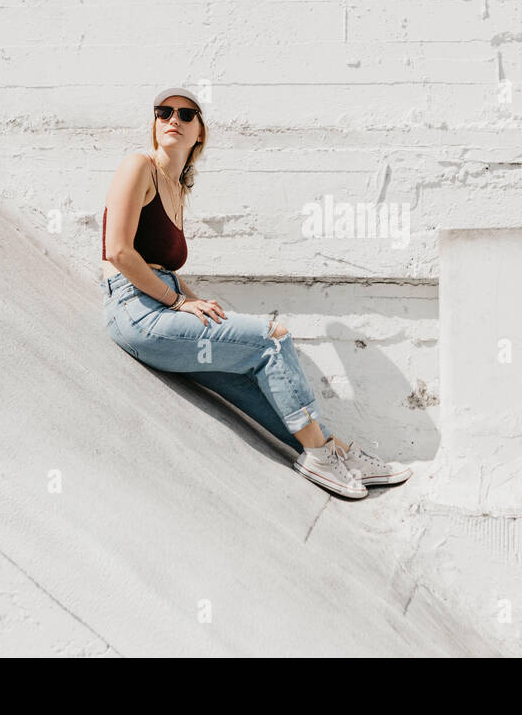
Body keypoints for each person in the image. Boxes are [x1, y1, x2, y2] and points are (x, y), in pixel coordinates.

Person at [99, 86, 411, 499]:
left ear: (199, 135)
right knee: (272, 337)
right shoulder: (138, 166)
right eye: (163, 112)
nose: (173, 119)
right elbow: (119, 252)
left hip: (160, 304)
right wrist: (177, 302)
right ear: (154, 125)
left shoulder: (177, 189)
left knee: (249, 372)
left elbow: (166, 270)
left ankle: (335, 451)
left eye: (186, 115)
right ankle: (320, 456)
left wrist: (193, 301)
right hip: (136, 310)